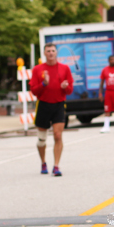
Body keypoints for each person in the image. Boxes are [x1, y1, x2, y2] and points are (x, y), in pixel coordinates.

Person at [30, 43, 73, 176]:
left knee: (58, 135)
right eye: (48, 51)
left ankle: (56, 166)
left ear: (56, 53)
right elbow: (34, 91)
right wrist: (44, 83)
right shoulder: (38, 69)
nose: (50, 53)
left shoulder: (64, 68)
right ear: (44, 53)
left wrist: (65, 86)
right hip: (43, 105)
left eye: (53, 51)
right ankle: (43, 162)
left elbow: (70, 90)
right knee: (41, 139)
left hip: (59, 105)